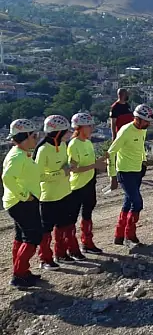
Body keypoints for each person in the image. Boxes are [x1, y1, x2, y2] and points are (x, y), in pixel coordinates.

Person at [33, 115, 78, 269]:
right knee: (46, 229)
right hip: (48, 196)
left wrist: (70, 165)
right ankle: (45, 258)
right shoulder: (43, 150)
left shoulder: (63, 145)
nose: (68, 134)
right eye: (65, 131)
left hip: (65, 191)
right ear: (56, 133)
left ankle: (61, 253)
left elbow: (64, 164)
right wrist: (61, 173)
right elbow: (38, 175)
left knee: (64, 225)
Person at [108, 104, 153, 247]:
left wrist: (143, 162)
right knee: (137, 203)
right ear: (138, 119)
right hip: (124, 172)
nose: (149, 124)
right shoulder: (126, 131)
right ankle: (130, 235)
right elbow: (111, 152)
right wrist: (112, 176)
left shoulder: (142, 130)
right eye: (146, 121)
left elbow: (140, 146)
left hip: (137, 171)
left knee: (128, 202)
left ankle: (119, 236)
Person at [3, 119, 43, 287]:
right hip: (21, 203)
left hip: (21, 201)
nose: (37, 138)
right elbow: (7, 177)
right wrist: (24, 196)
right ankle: (19, 275)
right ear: (26, 136)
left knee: (21, 236)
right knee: (33, 236)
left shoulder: (20, 153)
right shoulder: (18, 156)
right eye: (35, 135)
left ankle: (21, 271)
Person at [67, 113, 107, 255]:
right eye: (89, 126)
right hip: (77, 186)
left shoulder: (88, 143)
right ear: (80, 127)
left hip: (90, 183)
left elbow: (92, 164)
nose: (91, 128)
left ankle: (87, 243)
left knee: (87, 215)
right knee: (71, 218)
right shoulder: (73, 145)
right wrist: (95, 165)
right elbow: (74, 169)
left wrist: (103, 161)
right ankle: (71, 248)